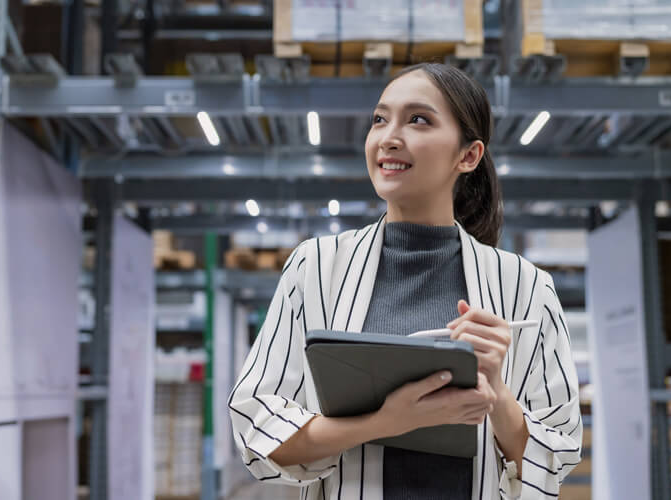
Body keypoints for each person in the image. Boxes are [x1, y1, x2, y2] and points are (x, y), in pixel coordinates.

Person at [228, 62, 582, 499]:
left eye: (418, 120)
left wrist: (498, 396)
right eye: (380, 119)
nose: (388, 137)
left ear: (467, 156)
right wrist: (388, 422)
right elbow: (257, 427)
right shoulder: (315, 267)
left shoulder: (526, 289)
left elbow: (556, 455)